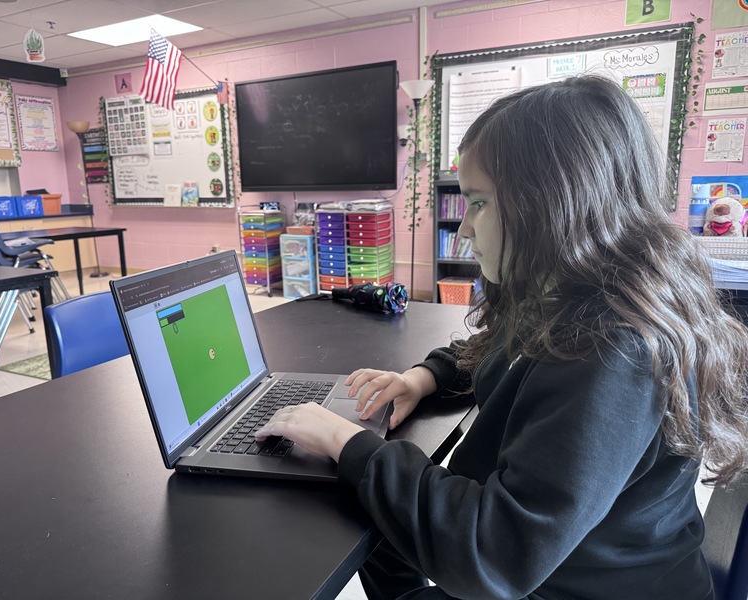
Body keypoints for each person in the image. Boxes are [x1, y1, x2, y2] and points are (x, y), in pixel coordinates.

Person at [256, 75, 748, 599]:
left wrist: (346, 442)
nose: (464, 229)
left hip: (576, 586)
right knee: (378, 503)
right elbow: (495, 348)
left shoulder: (613, 346)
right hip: (558, 567)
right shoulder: (567, 291)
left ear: (553, 202)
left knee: (369, 486)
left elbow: (498, 555)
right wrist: (424, 378)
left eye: (479, 203)